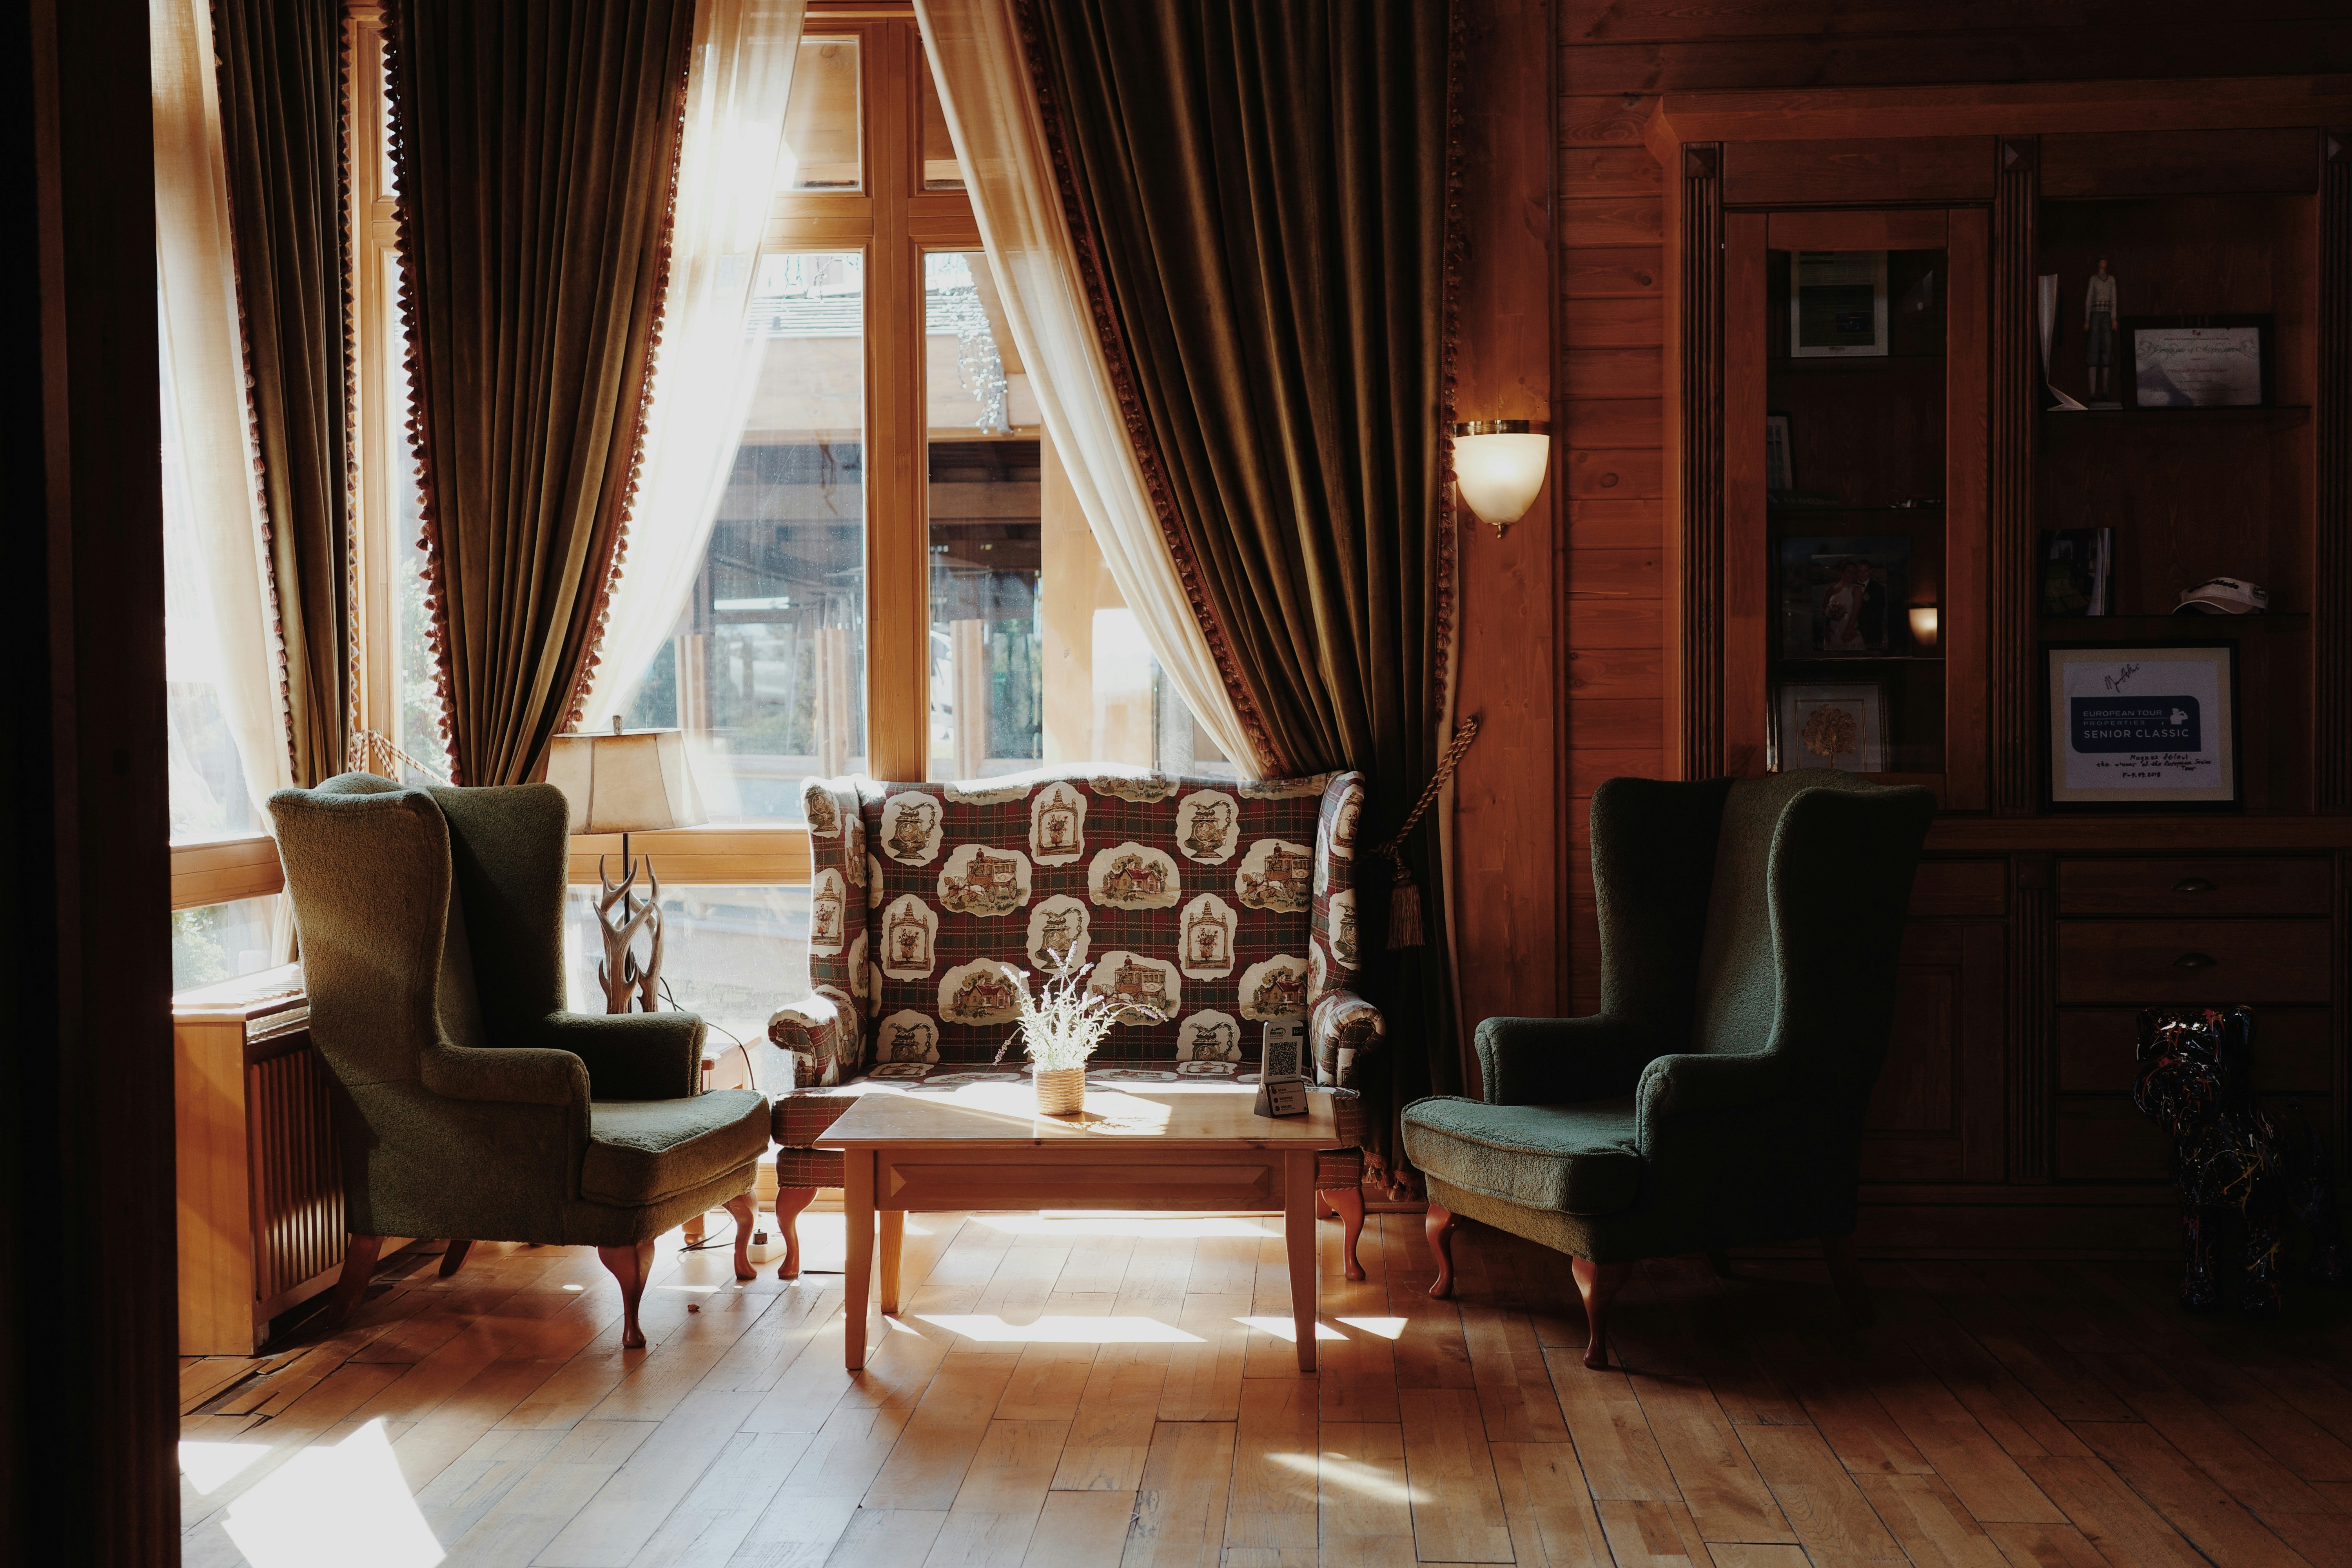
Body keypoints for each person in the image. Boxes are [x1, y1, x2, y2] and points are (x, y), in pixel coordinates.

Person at [2085, 258, 2119, 404]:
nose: (2104, 263)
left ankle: (2105, 392)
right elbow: (2089, 299)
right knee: (2093, 352)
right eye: (2102, 261)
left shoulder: (2111, 280)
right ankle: (2092, 393)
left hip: (2106, 316)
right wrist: (2087, 320)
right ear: (2098, 263)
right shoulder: (2093, 279)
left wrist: (2114, 318)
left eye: (2106, 261)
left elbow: (2114, 299)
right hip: (2095, 316)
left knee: (2107, 351)